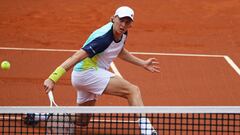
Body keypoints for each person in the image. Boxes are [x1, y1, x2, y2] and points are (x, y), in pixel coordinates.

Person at [43, 6, 159, 134]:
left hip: (89, 74)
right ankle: (147, 130)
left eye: (127, 22)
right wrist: (53, 78)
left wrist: (142, 63)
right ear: (113, 18)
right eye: (121, 20)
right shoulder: (103, 39)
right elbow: (76, 57)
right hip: (86, 73)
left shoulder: (123, 33)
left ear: (131, 24)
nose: (123, 25)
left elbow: (118, 50)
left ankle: (45, 115)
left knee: (82, 120)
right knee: (132, 90)